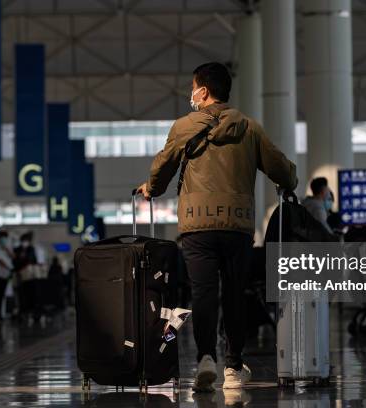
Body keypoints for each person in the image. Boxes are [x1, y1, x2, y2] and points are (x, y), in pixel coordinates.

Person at [136, 62, 297, 392]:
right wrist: (290, 179)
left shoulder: (183, 127)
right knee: (236, 293)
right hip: (237, 223)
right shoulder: (249, 128)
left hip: (197, 225)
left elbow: (162, 169)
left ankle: (206, 359)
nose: (190, 94)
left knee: (204, 293)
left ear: (204, 91)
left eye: (193, 87)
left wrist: (151, 188)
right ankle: (234, 369)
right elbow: (282, 170)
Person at [13, 232, 42, 322]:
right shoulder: (17, 250)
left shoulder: (31, 249)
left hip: (31, 276)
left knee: (33, 295)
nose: (25, 242)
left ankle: (34, 313)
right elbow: (15, 262)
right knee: (21, 295)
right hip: (21, 276)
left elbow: (34, 261)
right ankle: (23, 313)